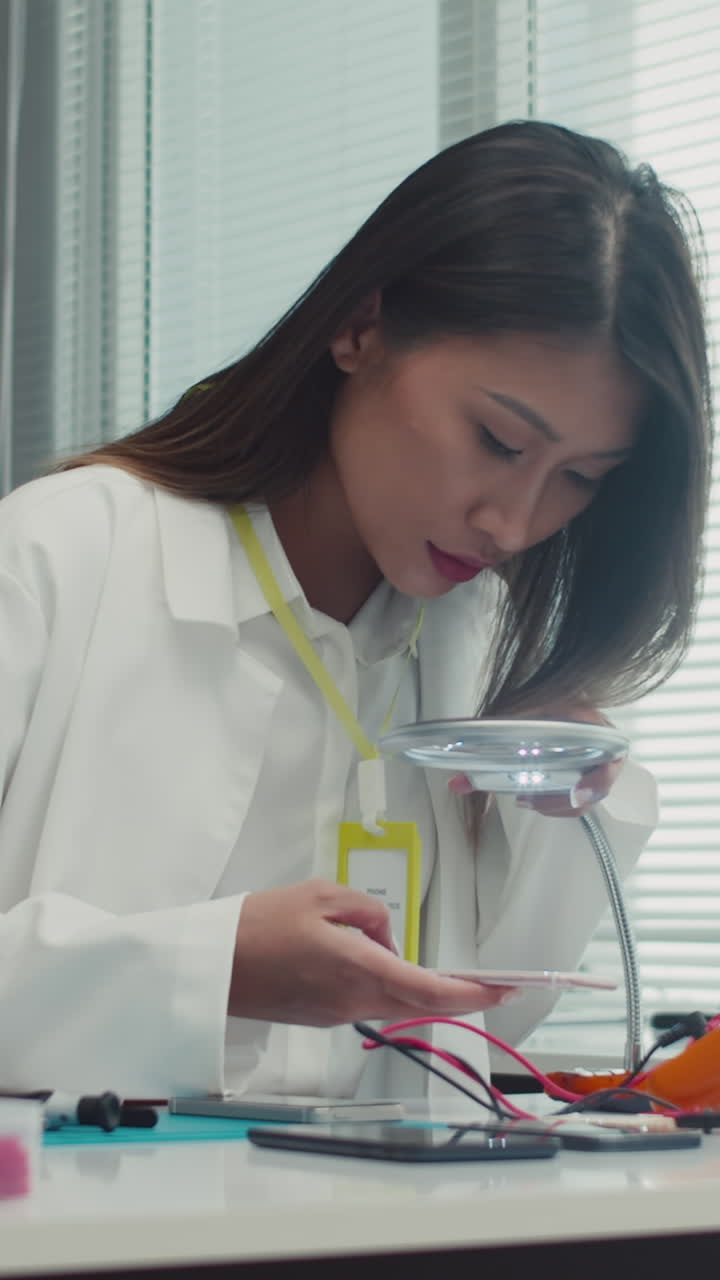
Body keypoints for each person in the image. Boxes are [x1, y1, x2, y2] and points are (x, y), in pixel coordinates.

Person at [0, 121, 711, 1102]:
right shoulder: (58, 554)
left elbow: (484, 1048)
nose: (514, 521)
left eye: (581, 478)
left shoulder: (484, 662)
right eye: (499, 440)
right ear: (362, 326)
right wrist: (218, 970)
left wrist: (564, 814)